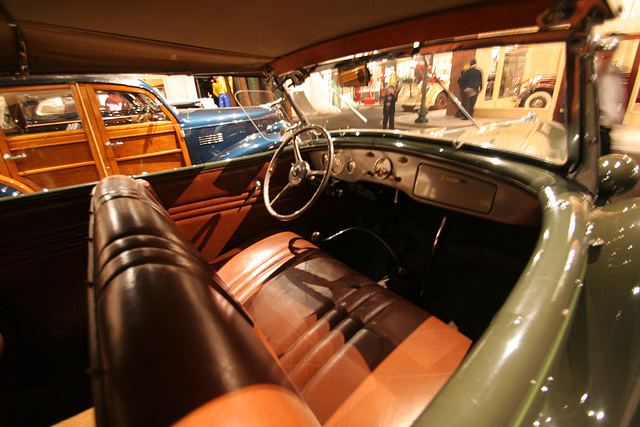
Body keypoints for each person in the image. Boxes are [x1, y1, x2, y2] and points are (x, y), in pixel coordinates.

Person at [596, 37, 625, 156]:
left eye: (609, 56)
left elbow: (619, 95)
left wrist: (618, 114)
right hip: (595, 122)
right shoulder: (594, 73)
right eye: (604, 56)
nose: (606, 60)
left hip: (605, 123)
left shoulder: (614, 72)